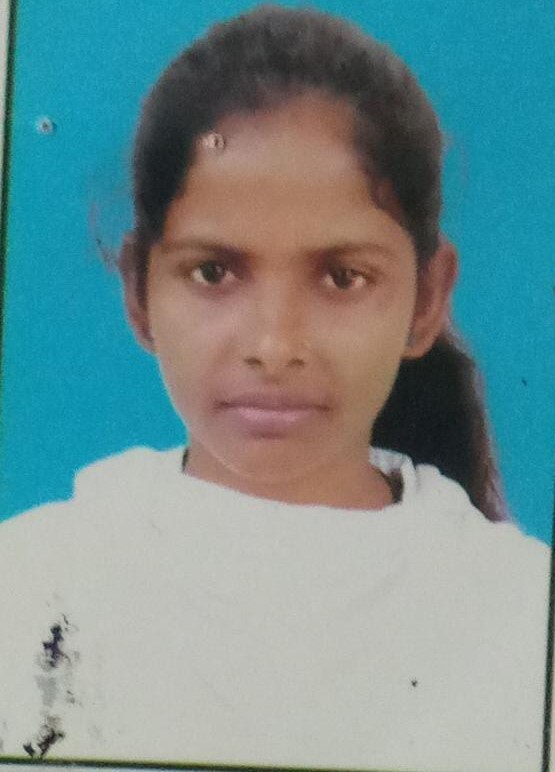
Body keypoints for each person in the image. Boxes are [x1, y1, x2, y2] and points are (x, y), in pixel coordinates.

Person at [0, 5, 551, 771]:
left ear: (426, 299)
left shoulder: (522, 615)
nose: (273, 345)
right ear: (138, 291)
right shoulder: (30, 583)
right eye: (213, 272)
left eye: (342, 277)